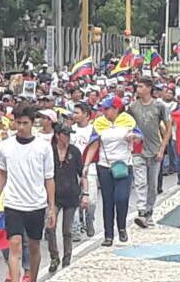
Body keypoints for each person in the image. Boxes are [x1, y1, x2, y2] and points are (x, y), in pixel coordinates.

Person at [0, 106, 55, 282]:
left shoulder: (43, 147)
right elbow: (2, 174)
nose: (22, 127)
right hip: (13, 203)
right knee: (14, 244)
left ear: (32, 123)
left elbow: (49, 178)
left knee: (34, 246)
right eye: (19, 123)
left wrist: (51, 207)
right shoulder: (6, 146)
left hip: (36, 203)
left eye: (26, 123)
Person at [82, 96, 141, 247]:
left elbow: (140, 138)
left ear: (116, 108)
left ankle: (121, 227)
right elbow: (94, 144)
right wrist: (87, 164)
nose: (104, 112)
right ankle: (108, 235)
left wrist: (134, 137)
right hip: (105, 166)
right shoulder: (99, 123)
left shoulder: (128, 120)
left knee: (121, 198)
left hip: (123, 164)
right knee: (107, 201)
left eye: (107, 109)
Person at [126, 78, 170, 229]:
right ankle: (141, 211)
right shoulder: (132, 107)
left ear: (149, 88)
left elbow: (168, 128)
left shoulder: (160, 106)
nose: (138, 89)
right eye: (137, 86)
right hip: (138, 150)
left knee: (152, 185)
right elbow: (127, 124)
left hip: (155, 149)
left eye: (141, 86)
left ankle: (149, 212)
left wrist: (162, 148)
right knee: (140, 182)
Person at [47, 123, 85, 272]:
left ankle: (67, 258)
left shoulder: (74, 152)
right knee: (50, 227)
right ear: (58, 135)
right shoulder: (49, 152)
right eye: (65, 134)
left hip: (71, 195)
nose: (68, 137)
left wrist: (85, 193)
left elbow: (82, 173)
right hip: (54, 196)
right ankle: (54, 256)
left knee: (67, 230)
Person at [68, 102, 96, 239]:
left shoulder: (93, 130)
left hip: (90, 167)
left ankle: (89, 219)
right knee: (74, 199)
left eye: (77, 112)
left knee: (91, 201)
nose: (75, 115)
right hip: (73, 168)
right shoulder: (71, 130)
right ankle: (75, 228)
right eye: (74, 112)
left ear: (85, 114)